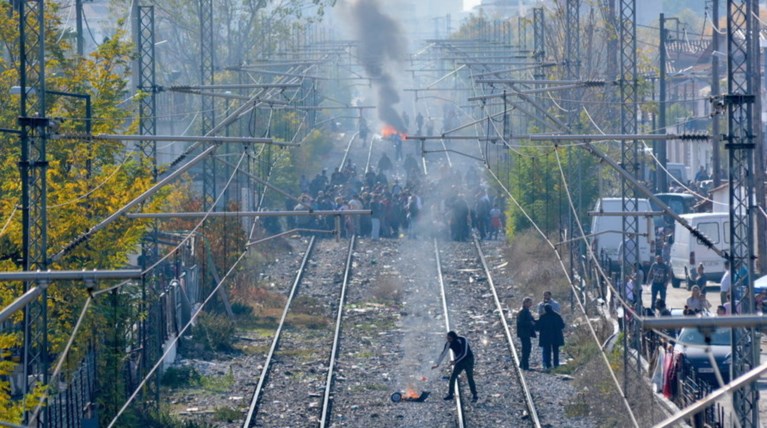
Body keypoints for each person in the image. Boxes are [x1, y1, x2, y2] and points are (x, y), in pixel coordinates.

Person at [431, 331, 478, 402]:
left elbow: (464, 352)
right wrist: (437, 364)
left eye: (449, 338)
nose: (448, 340)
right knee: (453, 377)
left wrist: (455, 361)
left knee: (470, 377)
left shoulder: (462, 339)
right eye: (447, 338)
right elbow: (443, 353)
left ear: (454, 337)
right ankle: (450, 394)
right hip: (459, 361)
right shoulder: (448, 343)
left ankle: (474, 395)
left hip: (468, 360)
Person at [535, 304, 565, 370]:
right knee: (556, 351)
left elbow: (538, 327)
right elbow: (562, 325)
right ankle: (556, 364)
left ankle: (548, 365)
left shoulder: (543, 317)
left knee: (547, 351)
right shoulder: (557, 316)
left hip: (546, 337)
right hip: (556, 336)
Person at [516, 297, 536, 370]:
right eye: (529, 302)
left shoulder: (526, 311)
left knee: (526, 348)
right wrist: (530, 323)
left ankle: (522, 364)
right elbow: (521, 322)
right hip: (524, 333)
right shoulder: (523, 311)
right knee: (526, 348)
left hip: (525, 333)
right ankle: (525, 365)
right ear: (525, 303)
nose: (531, 304)